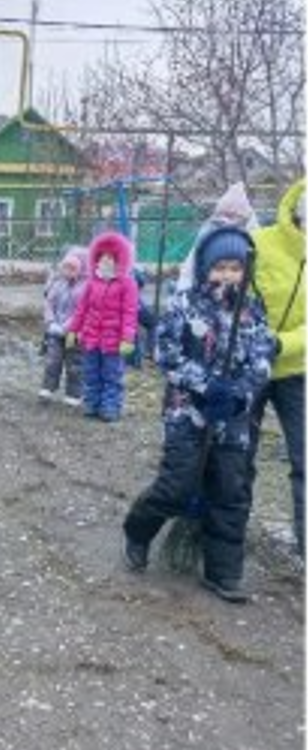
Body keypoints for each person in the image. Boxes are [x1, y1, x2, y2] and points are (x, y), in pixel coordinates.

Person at [122, 226, 276, 602]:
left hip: (233, 417)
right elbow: (166, 352)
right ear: (206, 267)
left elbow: (262, 359)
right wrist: (206, 385)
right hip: (187, 410)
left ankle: (224, 572)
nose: (227, 275)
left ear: (246, 272)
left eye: (235, 268)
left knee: (231, 489)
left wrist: (238, 394)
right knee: (178, 484)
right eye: (219, 267)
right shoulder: (185, 303)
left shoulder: (254, 311)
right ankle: (138, 531)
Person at [249, 178, 306, 559]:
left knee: (302, 458)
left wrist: (282, 343)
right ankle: (227, 533)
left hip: (296, 370)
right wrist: (253, 339)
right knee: (237, 453)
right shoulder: (261, 241)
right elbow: (238, 290)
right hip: (249, 366)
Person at [67, 232, 139, 421]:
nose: (106, 261)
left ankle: (110, 406)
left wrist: (127, 338)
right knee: (91, 372)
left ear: (119, 259)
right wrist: (73, 330)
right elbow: (82, 309)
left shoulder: (127, 284)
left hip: (113, 341)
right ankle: (91, 403)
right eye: (102, 257)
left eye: (110, 258)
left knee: (112, 375)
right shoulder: (92, 282)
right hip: (91, 338)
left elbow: (130, 313)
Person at [40, 247, 87, 405]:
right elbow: (49, 303)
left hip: (74, 334)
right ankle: (48, 388)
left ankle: (73, 394)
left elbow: (82, 310)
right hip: (55, 330)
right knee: (52, 360)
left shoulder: (86, 287)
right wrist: (51, 322)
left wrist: (67, 327)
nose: (68, 271)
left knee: (74, 363)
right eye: (66, 267)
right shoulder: (58, 283)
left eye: (72, 268)